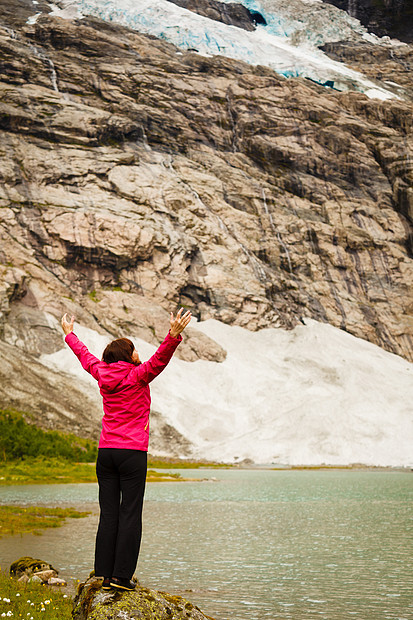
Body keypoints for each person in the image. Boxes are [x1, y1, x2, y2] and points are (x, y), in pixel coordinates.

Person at [61, 308, 191, 592]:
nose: (137, 354)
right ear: (126, 355)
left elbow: (85, 357)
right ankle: (121, 577)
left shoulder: (101, 373)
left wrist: (70, 335)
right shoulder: (138, 375)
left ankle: (104, 575)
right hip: (132, 453)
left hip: (105, 453)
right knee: (130, 513)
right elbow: (160, 360)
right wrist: (173, 335)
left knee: (109, 514)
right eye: (133, 350)